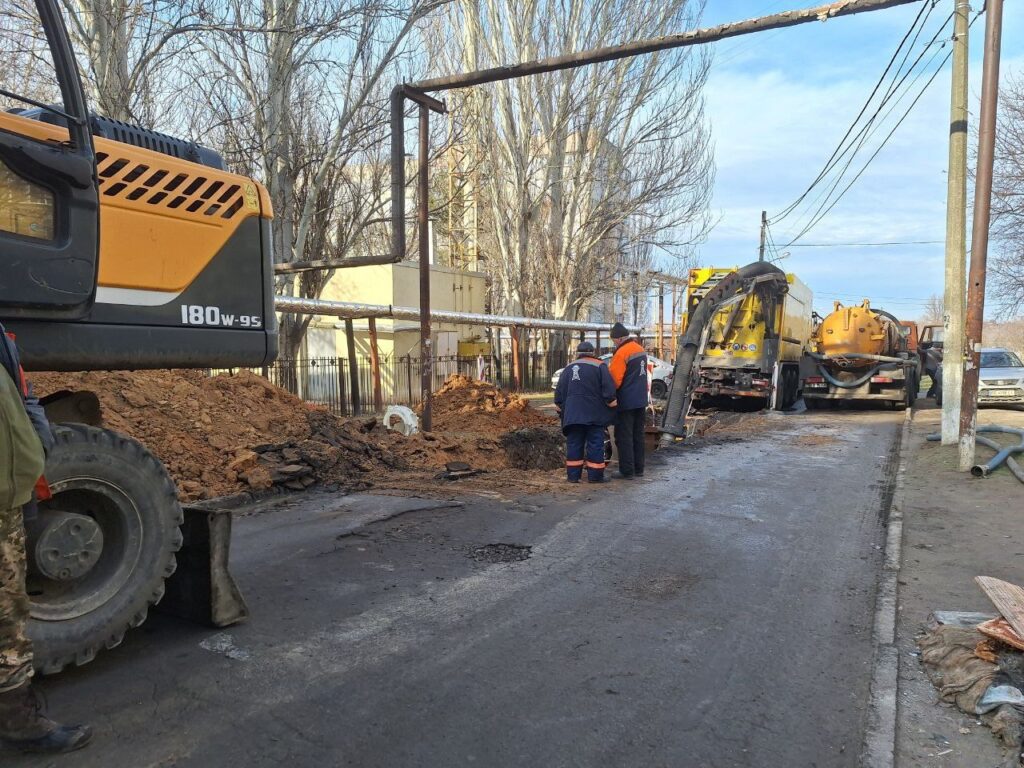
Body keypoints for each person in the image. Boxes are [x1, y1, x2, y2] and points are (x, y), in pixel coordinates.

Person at [0, 324, 91, 753]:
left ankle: (17, 720)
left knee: (7, 615)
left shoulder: (2, 337)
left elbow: (23, 395)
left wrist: (38, 443)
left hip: (7, 494)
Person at [554, 342, 617, 483]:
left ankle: (573, 477)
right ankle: (595, 477)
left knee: (574, 444)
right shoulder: (600, 366)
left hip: (572, 415)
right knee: (595, 444)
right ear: (593, 352)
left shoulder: (568, 368)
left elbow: (558, 396)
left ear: (578, 353)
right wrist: (613, 405)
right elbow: (609, 392)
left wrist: (562, 409)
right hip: (594, 415)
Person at [608, 322, 648, 479]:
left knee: (624, 436)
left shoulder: (621, 353)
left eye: (613, 341)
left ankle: (626, 470)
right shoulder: (640, 349)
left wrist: (608, 395)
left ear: (618, 339)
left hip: (626, 402)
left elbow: (615, 380)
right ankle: (639, 469)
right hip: (640, 400)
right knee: (638, 435)